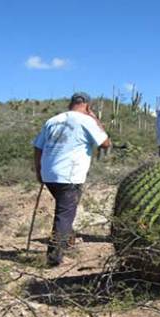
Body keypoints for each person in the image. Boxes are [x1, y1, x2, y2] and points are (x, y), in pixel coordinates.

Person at [33, 92, 111, 266]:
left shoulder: (53, 120)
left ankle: (68, 241)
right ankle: (54, 257)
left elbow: (38, 147)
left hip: (49, 174)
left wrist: (38, 170)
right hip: (69, 175)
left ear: (71, 103)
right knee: (64, 214)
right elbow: (106, 143)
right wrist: (96, 120)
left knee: (66, 209)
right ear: (88, 106)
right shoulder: (86, 120)